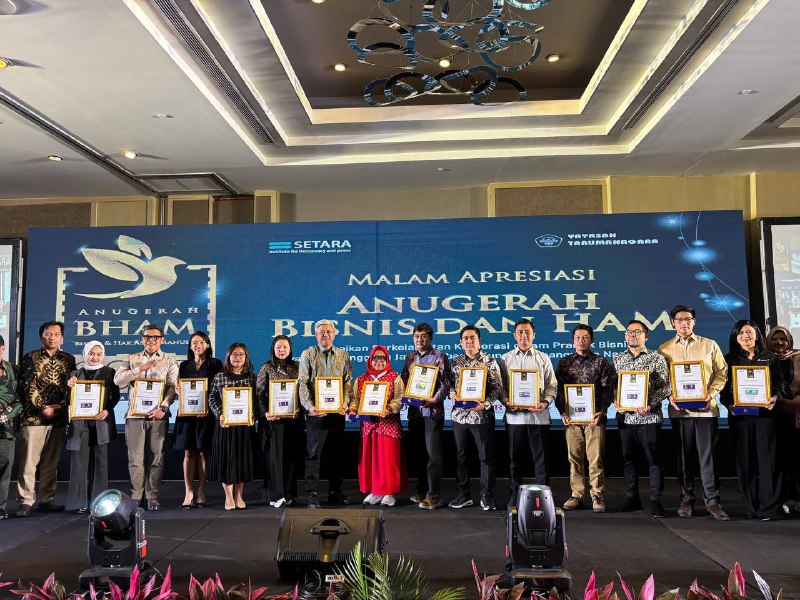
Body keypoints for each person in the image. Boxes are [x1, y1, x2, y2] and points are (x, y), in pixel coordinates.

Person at [658, 304, 729, 520]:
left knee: (707, 458)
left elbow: (722, 373)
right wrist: (670, 396)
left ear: (694, 322)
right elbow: (662, 380)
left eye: (688, 319)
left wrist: (711, 393)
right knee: (684, 458)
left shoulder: (709, 345)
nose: (684, 323)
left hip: (706, 411)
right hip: (680, 413)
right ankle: (686, 499)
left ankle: (713, 502)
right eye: (679, 319)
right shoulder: (664, 349)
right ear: (672, 323)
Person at [720, 320, 787, 520]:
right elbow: (724, 390)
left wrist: (775, 397)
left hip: (766, 417)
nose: (745, 335)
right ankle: (751, 507)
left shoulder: (770, 357)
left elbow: (781, 384)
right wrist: (728, 404)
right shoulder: (729, 359)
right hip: (741, 418)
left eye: (749, 332)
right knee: (745, 462)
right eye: (740, 333)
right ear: (735, 336)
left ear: (757, 334)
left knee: (769, 462)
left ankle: (769, 507)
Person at [114, 324, 179, 511]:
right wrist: (139, 369)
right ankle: (136, 495)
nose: (151, 340)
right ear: (142, 339)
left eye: (155, 337)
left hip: (158, 416)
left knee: (156, 457)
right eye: (147, 337)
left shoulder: (169, 360)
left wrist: (164, 408)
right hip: (134, 415)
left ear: (162, 340)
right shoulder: (132, 359)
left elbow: (172, 387)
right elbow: (118, 380)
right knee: (135, 458)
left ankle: (152, 495)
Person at [612, 320, 671, 517]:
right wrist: (616, 401)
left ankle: (656, 501)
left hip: (649, 418)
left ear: (646, 336)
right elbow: (615, 387)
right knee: (628, 460)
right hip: (626, 419)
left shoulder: (657, 358)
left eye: (637, 332)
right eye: (629, 332)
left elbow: (666, 387)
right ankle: (632, 498)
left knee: (653, 460)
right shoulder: (618, 359)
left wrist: (650, 403)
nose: (632, 335)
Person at [16, 321, 76, 517]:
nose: (52, 337)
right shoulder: (30, 358)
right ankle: (25, 501)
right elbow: (27, 386)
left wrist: (62, 406)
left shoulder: (68, 359)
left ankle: (47, 499)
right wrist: (43, 407)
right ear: (42, 337)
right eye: (48, 334)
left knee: (52, 462)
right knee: (29, 462)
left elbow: (71, 386)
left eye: (56, 334)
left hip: (58, 418)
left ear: (62, 338)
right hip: (33, 418)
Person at [555, 324, 615, 513]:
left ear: (592, 340)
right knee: (574, 458)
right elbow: (558, 391)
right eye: (578, 337)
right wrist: (562, 412)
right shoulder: (564, 363)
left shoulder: (601, 362)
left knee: (595, 459)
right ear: (573, 341)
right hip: (572, 419)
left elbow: (607, 390)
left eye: (585, 337)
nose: (581, 341)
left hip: (594, 418)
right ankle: (577, 494)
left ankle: (597, 494)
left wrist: (602, 411)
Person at [499, 318, 557, 509]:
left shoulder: (543, 358)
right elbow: (500, 388)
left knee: (541, 463)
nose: (524, 336)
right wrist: (507, 402)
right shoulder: (505, 359)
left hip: (539, 418)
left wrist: (545, 402)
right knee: (514, 462)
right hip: (515, 418)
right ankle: (514, 497)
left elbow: (552, 385)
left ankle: (544, 501)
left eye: (527, 332)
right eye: (520, 332)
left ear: (534, 335)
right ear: (514, 335)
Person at [298, 320, 354, 509]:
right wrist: (310, 406)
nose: (325, 335)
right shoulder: (308, 355)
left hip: (337, 413)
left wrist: (346, 401)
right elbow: (303, 383)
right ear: (316, 335)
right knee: (313, 454)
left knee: (336, 454)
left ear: (334, 334)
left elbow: (348, 381)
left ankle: (334, 491)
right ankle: (312, 494)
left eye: (328, 332)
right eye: (321, 332)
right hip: (316, 414)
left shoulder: (343, 355)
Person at [448, 325, 504, 511]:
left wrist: (485, 404)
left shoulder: (489, 361)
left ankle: (486, 495)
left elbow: (497, 388)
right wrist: (452, 395)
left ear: (479, 341)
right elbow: (449, 386)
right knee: (460, 458)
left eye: (472, 338)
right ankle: (464, 495)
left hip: (481, 417)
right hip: (459, 417)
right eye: (465, 338)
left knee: (485, 457)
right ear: (460, 342)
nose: (469, 341)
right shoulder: (455, 362)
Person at [65, 341, 120, 513]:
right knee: (79, 464)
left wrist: (107, 410)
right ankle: (78, 503)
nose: (94, 357)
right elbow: (68, 401)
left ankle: (99, 503)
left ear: (102, 355)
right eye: (91, 353)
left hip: (101, 422)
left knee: (101, 464)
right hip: (79, 424)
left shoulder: (110, 372)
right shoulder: (74, 374)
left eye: (98, 354)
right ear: (84, 355)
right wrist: (69, 388)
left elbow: (115, 396)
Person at [400, 322, 450, 510]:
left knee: (433, 454)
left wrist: (434, 399)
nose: (419, 340)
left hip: (432, 411)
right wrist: (403, 397)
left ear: (430, 338)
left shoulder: (439, 356)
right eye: (416, 337)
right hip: (414, 412)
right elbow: (403, 381)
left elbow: (445, 384)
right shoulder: (410, 358)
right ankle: (422, 490)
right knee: (419, 454)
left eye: (423, 336)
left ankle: (434, 495)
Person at [173, 331, 222, 509]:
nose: (198, 345)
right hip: (187, 414)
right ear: (190, 345)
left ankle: (201, 490)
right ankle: (188, 491)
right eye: (194, 342)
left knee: (203, 452)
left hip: (206, 415)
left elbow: (218, 389)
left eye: (202, 342)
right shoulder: (184, 365)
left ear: (208, 345)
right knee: (188, 452)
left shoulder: (216, 364)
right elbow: (179, 385)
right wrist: (178, 390)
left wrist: (208, 408)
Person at [208, 343, 258, 510]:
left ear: (246, 358)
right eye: (234, 354)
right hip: (225, 426)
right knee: (227, 460)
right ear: (228, 356)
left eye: (241, 354)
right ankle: (228, 497)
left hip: (244, 427)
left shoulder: (252, 378)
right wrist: (219, 414)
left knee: (241, 461)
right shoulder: (220, 377)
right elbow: (212, 398)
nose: (237, 357)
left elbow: (256, 401)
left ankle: (239, 496)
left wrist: (253, 415)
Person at [256, 335, 304, 508]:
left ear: (290, 349)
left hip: (293, 420)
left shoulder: (298, 367)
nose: (282, 350)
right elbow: (259, 395)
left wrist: (301, 409)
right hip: (274, 421)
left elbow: (304, 392)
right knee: (275, 459)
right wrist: (266, 412)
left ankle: (290, 493)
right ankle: (276, 495)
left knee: (291, 458)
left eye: (285, 347)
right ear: (273, 349)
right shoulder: (266, 368)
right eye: (278, 347)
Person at [355, 346, 406, 507]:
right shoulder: (361, 379)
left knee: (387, 459)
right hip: (369, 426)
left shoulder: (395, 377)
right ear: (370, 359)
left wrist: (389, 408)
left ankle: (389, 492)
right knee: (370, 459)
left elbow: (399, 399)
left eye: (382, 358)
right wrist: (352, 410)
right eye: (375, 358)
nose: (379, 361)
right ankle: (375, 491)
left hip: (388, 425)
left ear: (387, 360)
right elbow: (355, 400)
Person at [765, 326, 800, 513]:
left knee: (796, 457)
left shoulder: (799, 357)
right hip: (772, 416)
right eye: (775, 339)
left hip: (796, 415)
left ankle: (797, 498)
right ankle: (781, 499)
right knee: (778, 459)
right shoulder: (764, 359)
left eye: (783, 339)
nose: (779, 342)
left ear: (789, 341)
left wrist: (794, 402)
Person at [0, 334, 21, 520]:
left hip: (4, 427)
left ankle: (0, 506)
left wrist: (5, 415)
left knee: (5, 467)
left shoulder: (13, 370)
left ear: (2, 349)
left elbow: (20, 398)